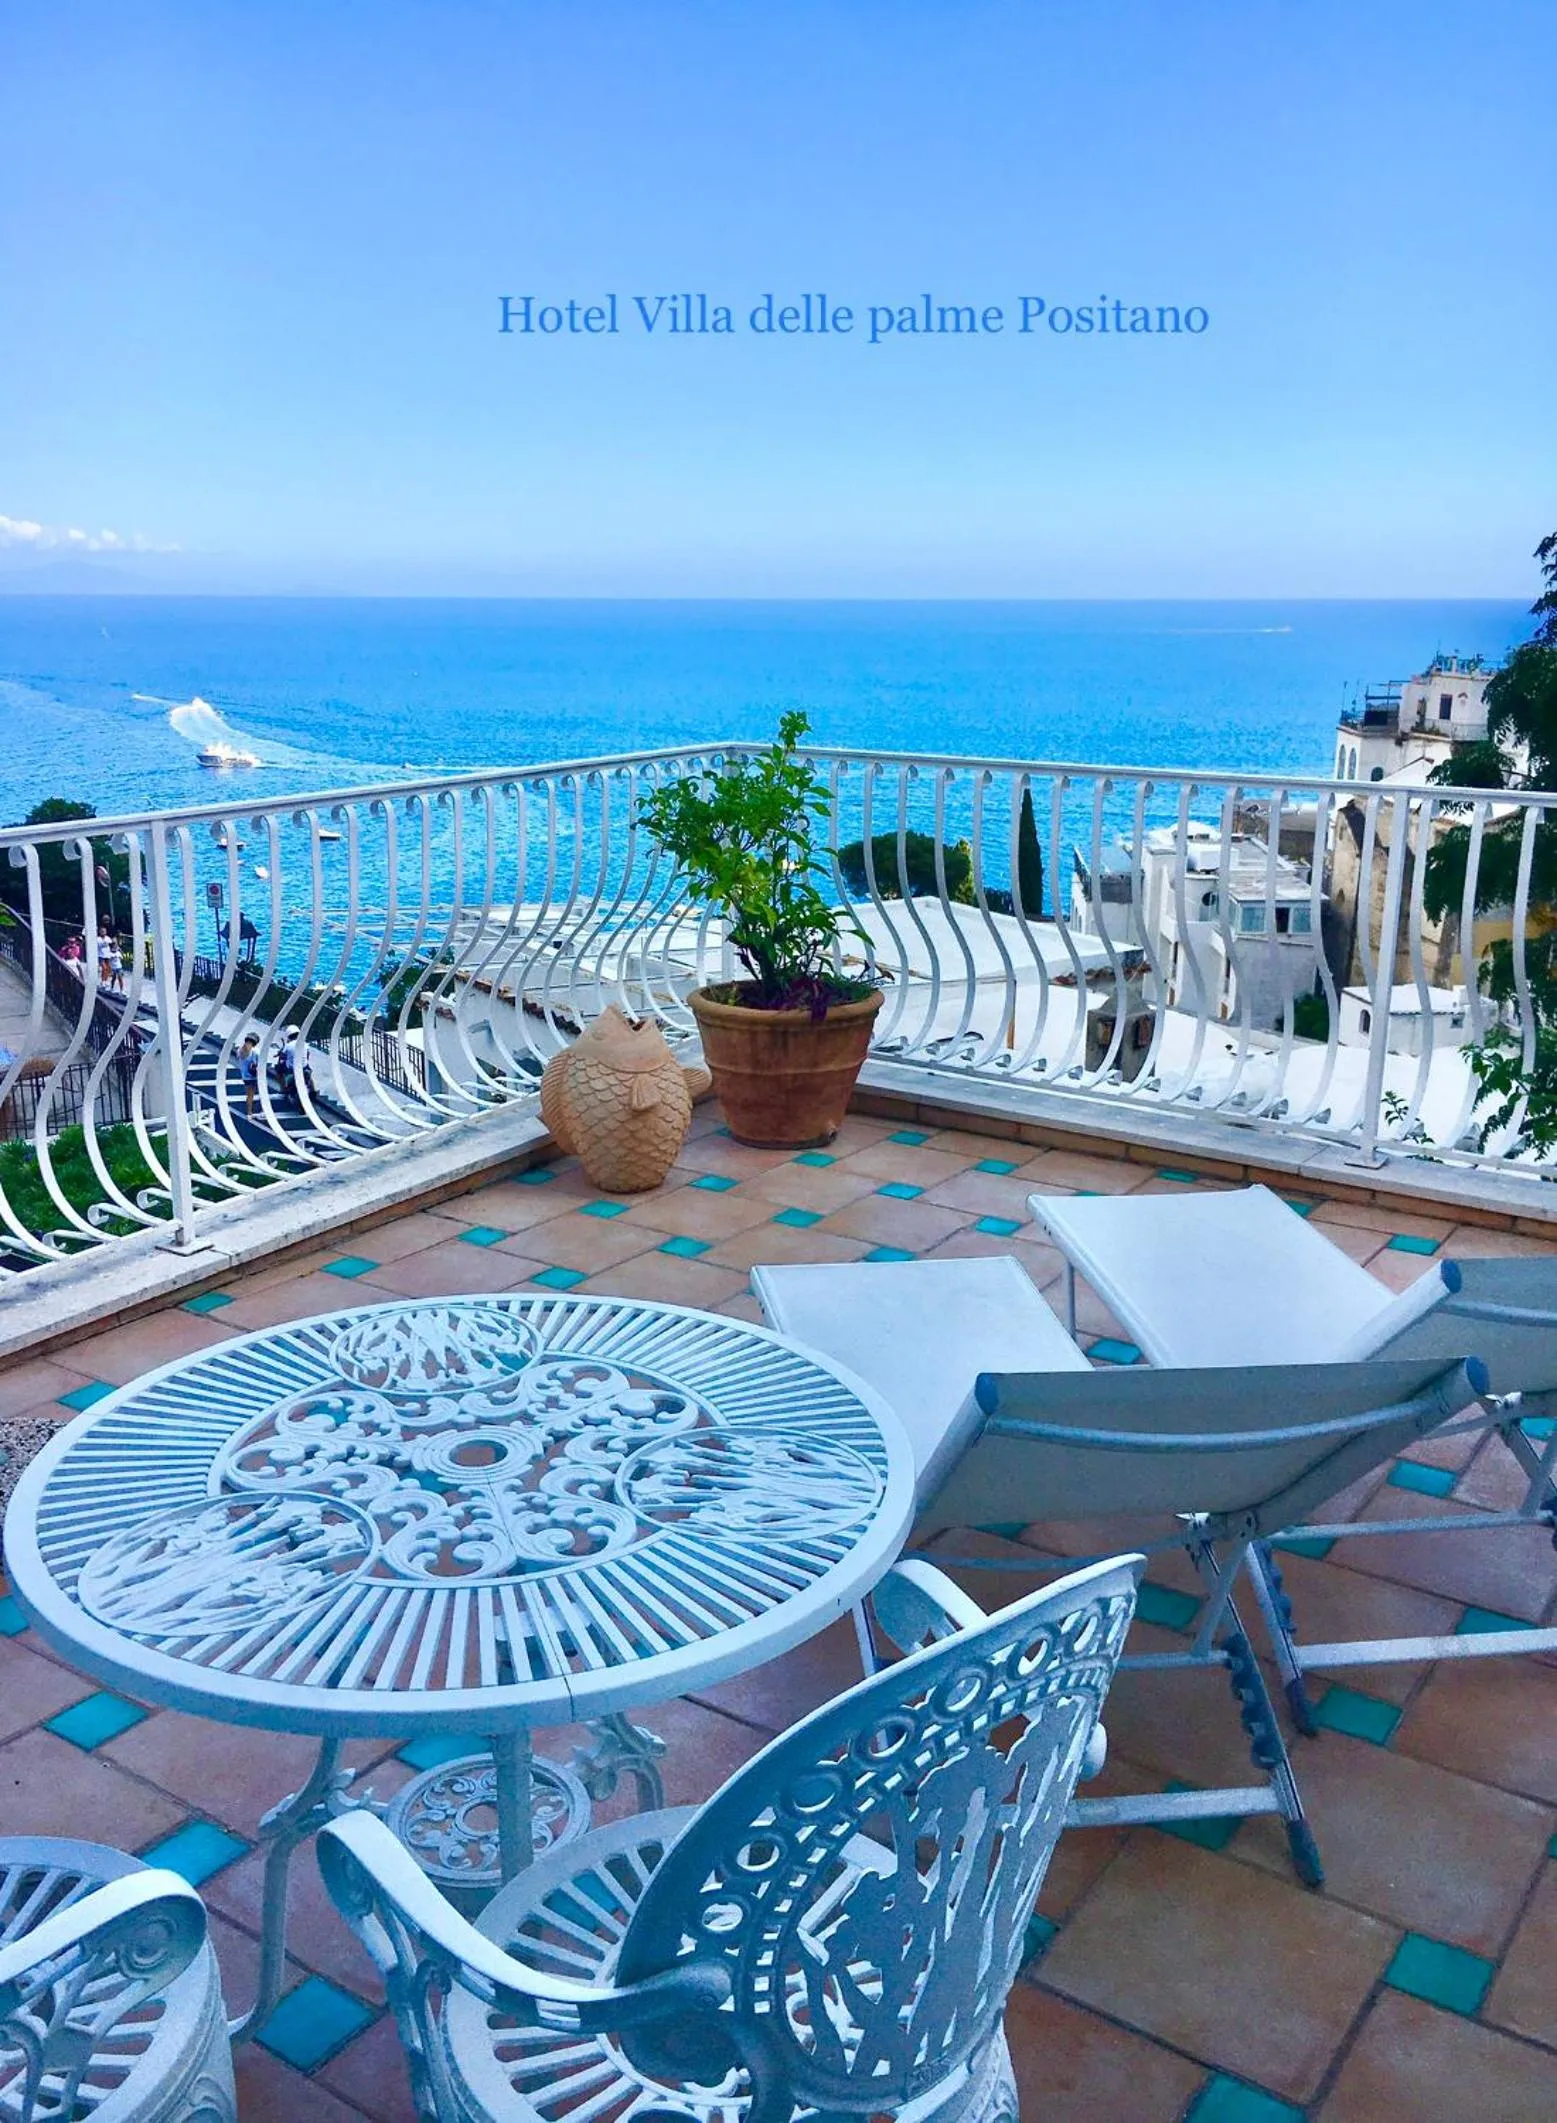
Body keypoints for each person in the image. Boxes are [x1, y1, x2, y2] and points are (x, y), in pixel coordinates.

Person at [237, 1034, 261, 1119]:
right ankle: (250, 1112)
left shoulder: (240, 1050)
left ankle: (249, 1111)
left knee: (249, 1095)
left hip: (245, 1076)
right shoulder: (256, 1051)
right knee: (255, 1094)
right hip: (254, 1076)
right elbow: (260, 1063)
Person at [96, 920, 123, 993]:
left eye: (104, 931)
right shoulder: (97, 939)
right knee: (104, 968)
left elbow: (113, 945)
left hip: (107, 955)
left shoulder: (108, 938)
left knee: (108, 969)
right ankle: (103, 981)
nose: (103, 932)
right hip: (100, 955)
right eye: (102, 931)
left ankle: (105, 980)